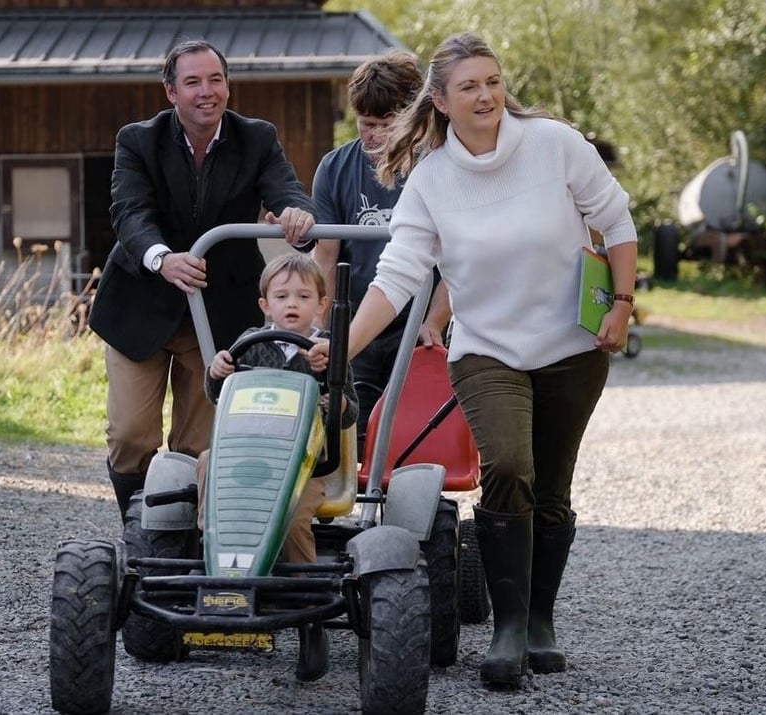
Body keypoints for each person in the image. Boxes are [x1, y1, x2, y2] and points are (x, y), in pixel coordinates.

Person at [312, 33, 638, 688]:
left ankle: (539, 618)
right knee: (509, 467)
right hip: (486, 347)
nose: (486, 94)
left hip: (572, 348)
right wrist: (339, 346)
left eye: (492, 80)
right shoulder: (432, 179)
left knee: (551, 484)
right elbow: (398, 276)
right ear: (440, 99)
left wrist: (622, 304)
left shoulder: (554, 145)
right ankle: (508, 628)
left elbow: (617, 218)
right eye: (469, 85)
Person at [88, 39, 317, 522]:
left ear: (228, 87)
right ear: (171, 92)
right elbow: (129, 213)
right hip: (141, 306)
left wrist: (297, 214)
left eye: (215, 80)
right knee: (131, 435)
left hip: (216, 314)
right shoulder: (137, 140)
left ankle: (186, 540)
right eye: (193, 82)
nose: (206, 92)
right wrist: (162, 258)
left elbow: (286, 188)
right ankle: (139, 528)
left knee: (197, 443)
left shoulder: (256, 138)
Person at [196, 252, 357, 682]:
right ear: (264, 303)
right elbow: (218, 398)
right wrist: (217, 373)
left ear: (322, 305)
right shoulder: (250, 343)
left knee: (297, 512)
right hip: (246, 457)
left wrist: (332, 387)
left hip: (309, 467)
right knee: (207, 462)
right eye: (282, 295)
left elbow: (348, 413)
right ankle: (218, 559)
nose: (292, 303)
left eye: (304, 296)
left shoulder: (331, 351)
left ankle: (309, 615)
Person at [308, 49, 452, 456]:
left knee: (417, 432)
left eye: (386, 126)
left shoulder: (437, 165)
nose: (374, 136)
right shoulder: (335, 168)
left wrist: (436, 320)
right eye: (366, 125)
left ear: (412, 118)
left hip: (421, 321)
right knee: (357, 430)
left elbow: (457, 257)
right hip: (362, 322)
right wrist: (323, 325)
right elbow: (325, 256)